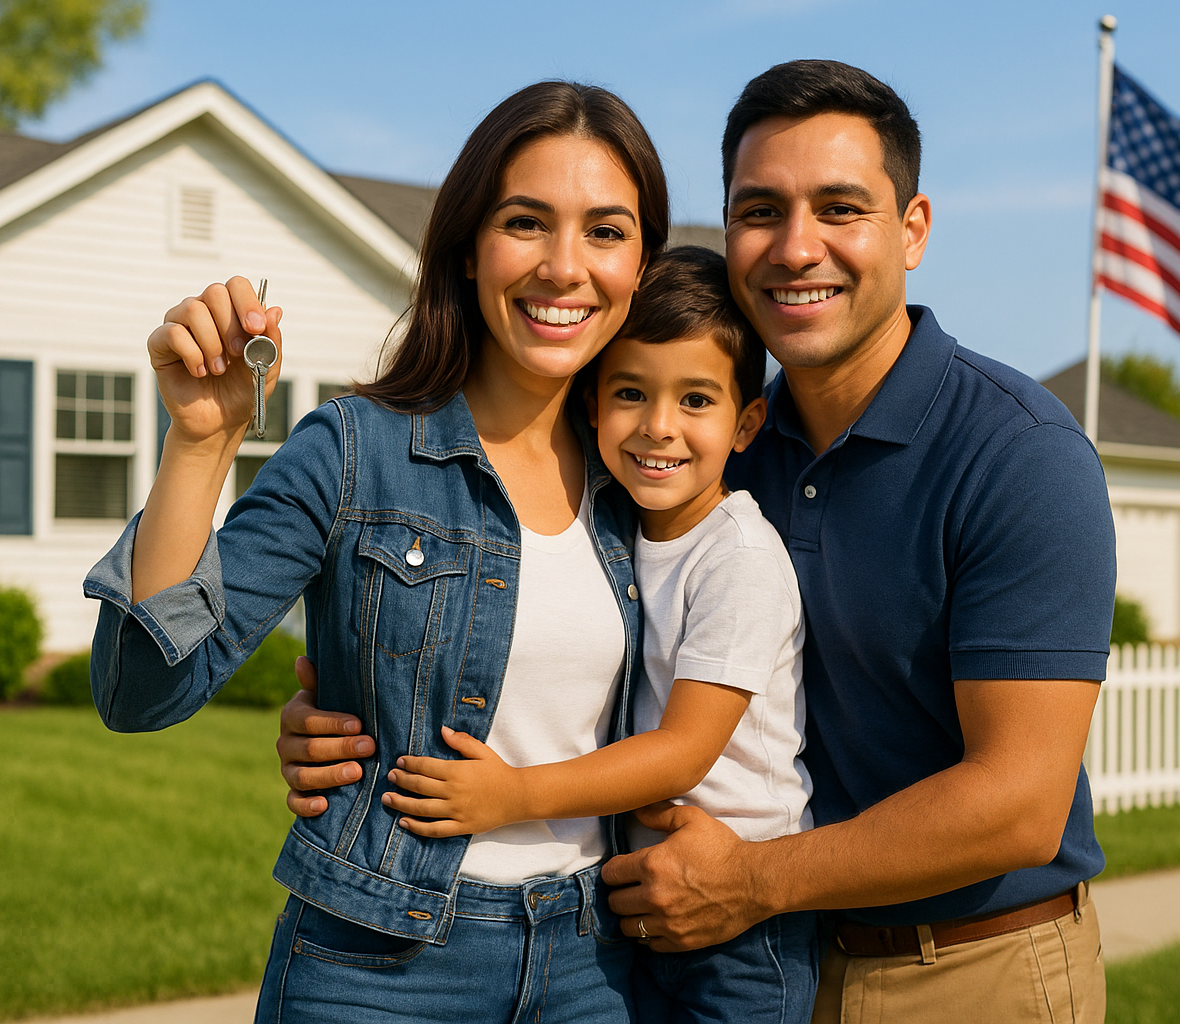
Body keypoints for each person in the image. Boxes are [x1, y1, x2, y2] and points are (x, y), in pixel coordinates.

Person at [279, 60, 1117, 1024]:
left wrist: (758, 881)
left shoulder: (1020, 454)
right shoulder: (712, 453)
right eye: (761, 210)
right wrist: (360, 723)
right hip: (725, 943)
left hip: (963, 967)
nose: (797, 247)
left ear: (913, 228)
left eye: (840, 208)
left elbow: (1018, 803)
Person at [83, 80, 672, 1023]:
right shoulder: (355, 451)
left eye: (606, 231)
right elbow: (142, 693)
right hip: (377, 970)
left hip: (591, 967)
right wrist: (200, 442)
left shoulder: (652, 479)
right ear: (469, 248)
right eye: (526, 222)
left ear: (641, 263)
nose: (566, 267)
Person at [381, 245, 819, 1024]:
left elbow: (683, 751)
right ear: (592, 404)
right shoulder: (614, 528)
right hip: (640, 907)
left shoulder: (739, 555)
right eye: (630, 393)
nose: (658, 428)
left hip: (743, 929)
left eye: (695, 400)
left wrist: (512, 796)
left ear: (747, 421)